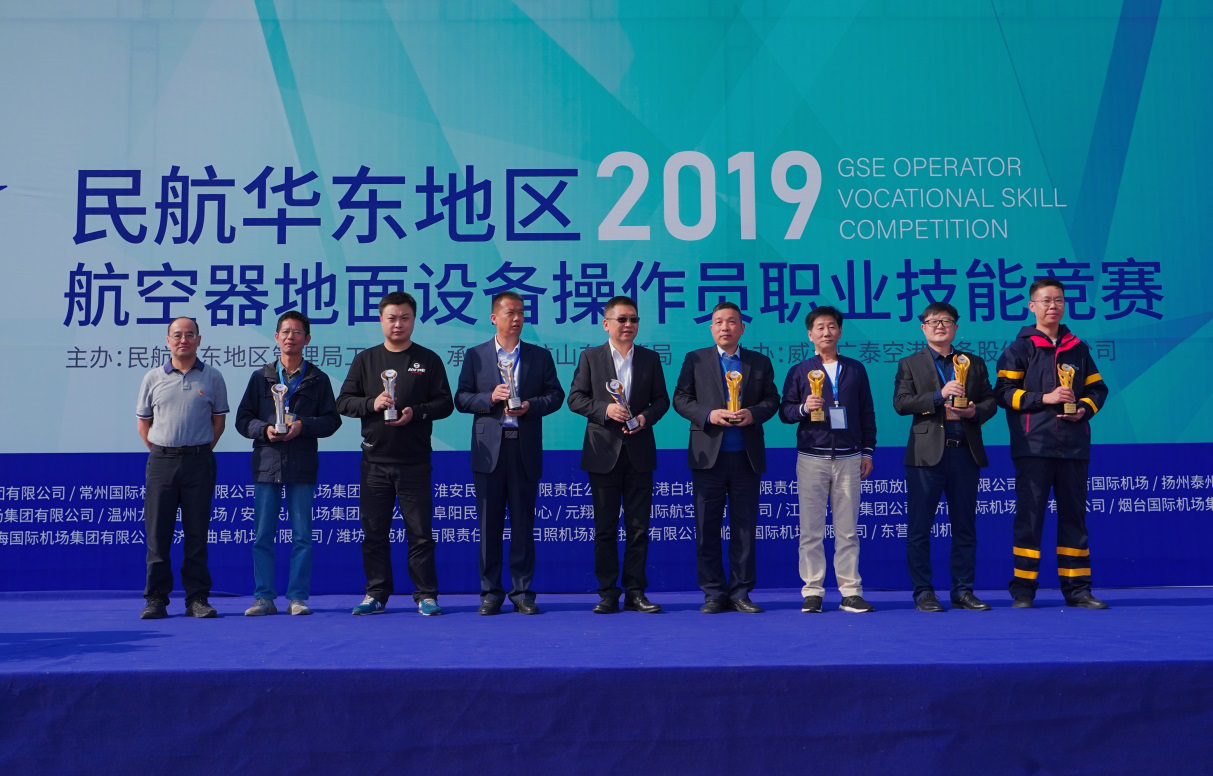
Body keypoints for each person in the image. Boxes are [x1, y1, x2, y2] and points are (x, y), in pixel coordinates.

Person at [995, 278, 1110, 609]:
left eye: (1058, 300)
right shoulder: (1019, 349)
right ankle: (1023, 590)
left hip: (1073, 447)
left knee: (1074, 518)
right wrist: (1044, 398)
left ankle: (1078, 590)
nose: (1053, 306)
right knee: (1029, 519)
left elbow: (1098, 389)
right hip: (1033, 446)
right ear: (1032, 306)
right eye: (1046, 300)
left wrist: (1084, 408)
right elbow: (1003, 394)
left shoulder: (1078, 349)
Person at [336, 292, 453, 616]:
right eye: (392, 318)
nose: (398, 324)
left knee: (420, 534)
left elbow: (445, 403)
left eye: (404, 318)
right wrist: (371, 403)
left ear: (413, 320)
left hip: (415, 462)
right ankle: (376, 593)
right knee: (374, 534)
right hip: (375, 463)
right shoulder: (366, 360)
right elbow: (343, 402)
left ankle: (426, 595)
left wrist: (417, 412)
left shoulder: (428, 360)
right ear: (381, 320)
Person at [455, 292, 565, 615]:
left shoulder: (538, 356)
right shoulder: (475, 356)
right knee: (488, 526)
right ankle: (490, 593)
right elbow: (461, 398)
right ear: (494, 318)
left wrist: (530, 406)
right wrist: (489, 398)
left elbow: (555, 395)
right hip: (489, 451)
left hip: (523, 448)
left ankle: (522, 593)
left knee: (523, 524)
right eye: (509, 313)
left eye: (520, 312)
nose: (516, 318)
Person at [673, 302, 779, 613]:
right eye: (719, 322)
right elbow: (681, 399)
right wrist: (709, 414)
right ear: (711, 328)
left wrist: (753, 414)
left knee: (744, 527)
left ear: (742, 328)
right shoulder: (695, 359)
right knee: (707, 527)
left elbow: (772, 399)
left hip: (746, 457)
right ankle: (713, 593)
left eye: (732, 322)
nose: (725, 327)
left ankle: (741, 592)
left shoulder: (759, 362)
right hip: (708, 457)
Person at [567, 296, 670, 614]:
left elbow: (662, 401)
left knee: (639, 528)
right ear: (606, 324)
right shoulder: (591, 357)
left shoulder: (650, 358)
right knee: (605, 528)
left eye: (634, 319)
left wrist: (644, 418)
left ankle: (636, 592)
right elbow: (575, 398)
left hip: (639, 452)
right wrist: (605, 409)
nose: (628, 325)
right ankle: (608, 593)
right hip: (603, 453)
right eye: (622, 319)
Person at [893, 302, 998, 612]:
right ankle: (924, 592)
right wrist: (939, 396)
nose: (940, 326)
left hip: (964, 452)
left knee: (965, 527)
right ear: (923, 327)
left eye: (946, 321)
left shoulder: (973, 362)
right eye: (933, 321)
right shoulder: (910, 363)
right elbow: (901, 403)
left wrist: (974, 411)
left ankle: (963, 590)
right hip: (925, 457)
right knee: (919, 528)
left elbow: (991, 400)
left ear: (956, 327)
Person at [235, 311, 341, 616]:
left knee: (302, 536)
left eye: (296, 332)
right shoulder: (261, 377)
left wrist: (303, 426)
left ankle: (297, 597)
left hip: (302, 463)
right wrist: (264, 430)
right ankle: (263, 598)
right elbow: (243, 420)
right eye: (285, 331)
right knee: (262, 535)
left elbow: (332, 420)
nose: (290, 337)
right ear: (276, 337)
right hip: (266, 463)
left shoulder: (318, 379)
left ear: (307, 339)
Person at [779, 306, 877, 613]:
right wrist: (803, 408)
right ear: (810, 335)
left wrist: (867, 451)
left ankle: (851, 592)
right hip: (812, 457)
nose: (826, 332)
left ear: (840, 331)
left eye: (831, 326)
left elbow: (867, 412)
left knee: (848, 530)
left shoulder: (855, 369)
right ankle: (813, 592)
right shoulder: (799, 370)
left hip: (849, 458)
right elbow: (785, 412)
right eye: (819, 327)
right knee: (811, 530)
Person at [135, 317, 228, 619]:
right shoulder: (153, 378)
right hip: (162, 461)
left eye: (190, 335)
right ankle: (156, 599)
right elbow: (143, 424)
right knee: (157, 534)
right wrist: (164, 450)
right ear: (168, 340)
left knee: (197, 533)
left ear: (199, 340)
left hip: (199, 461)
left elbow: (218, 423)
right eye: (177, 335)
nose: (183, 340)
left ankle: (197, 598)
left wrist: (197, 450)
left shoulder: (212, 377)